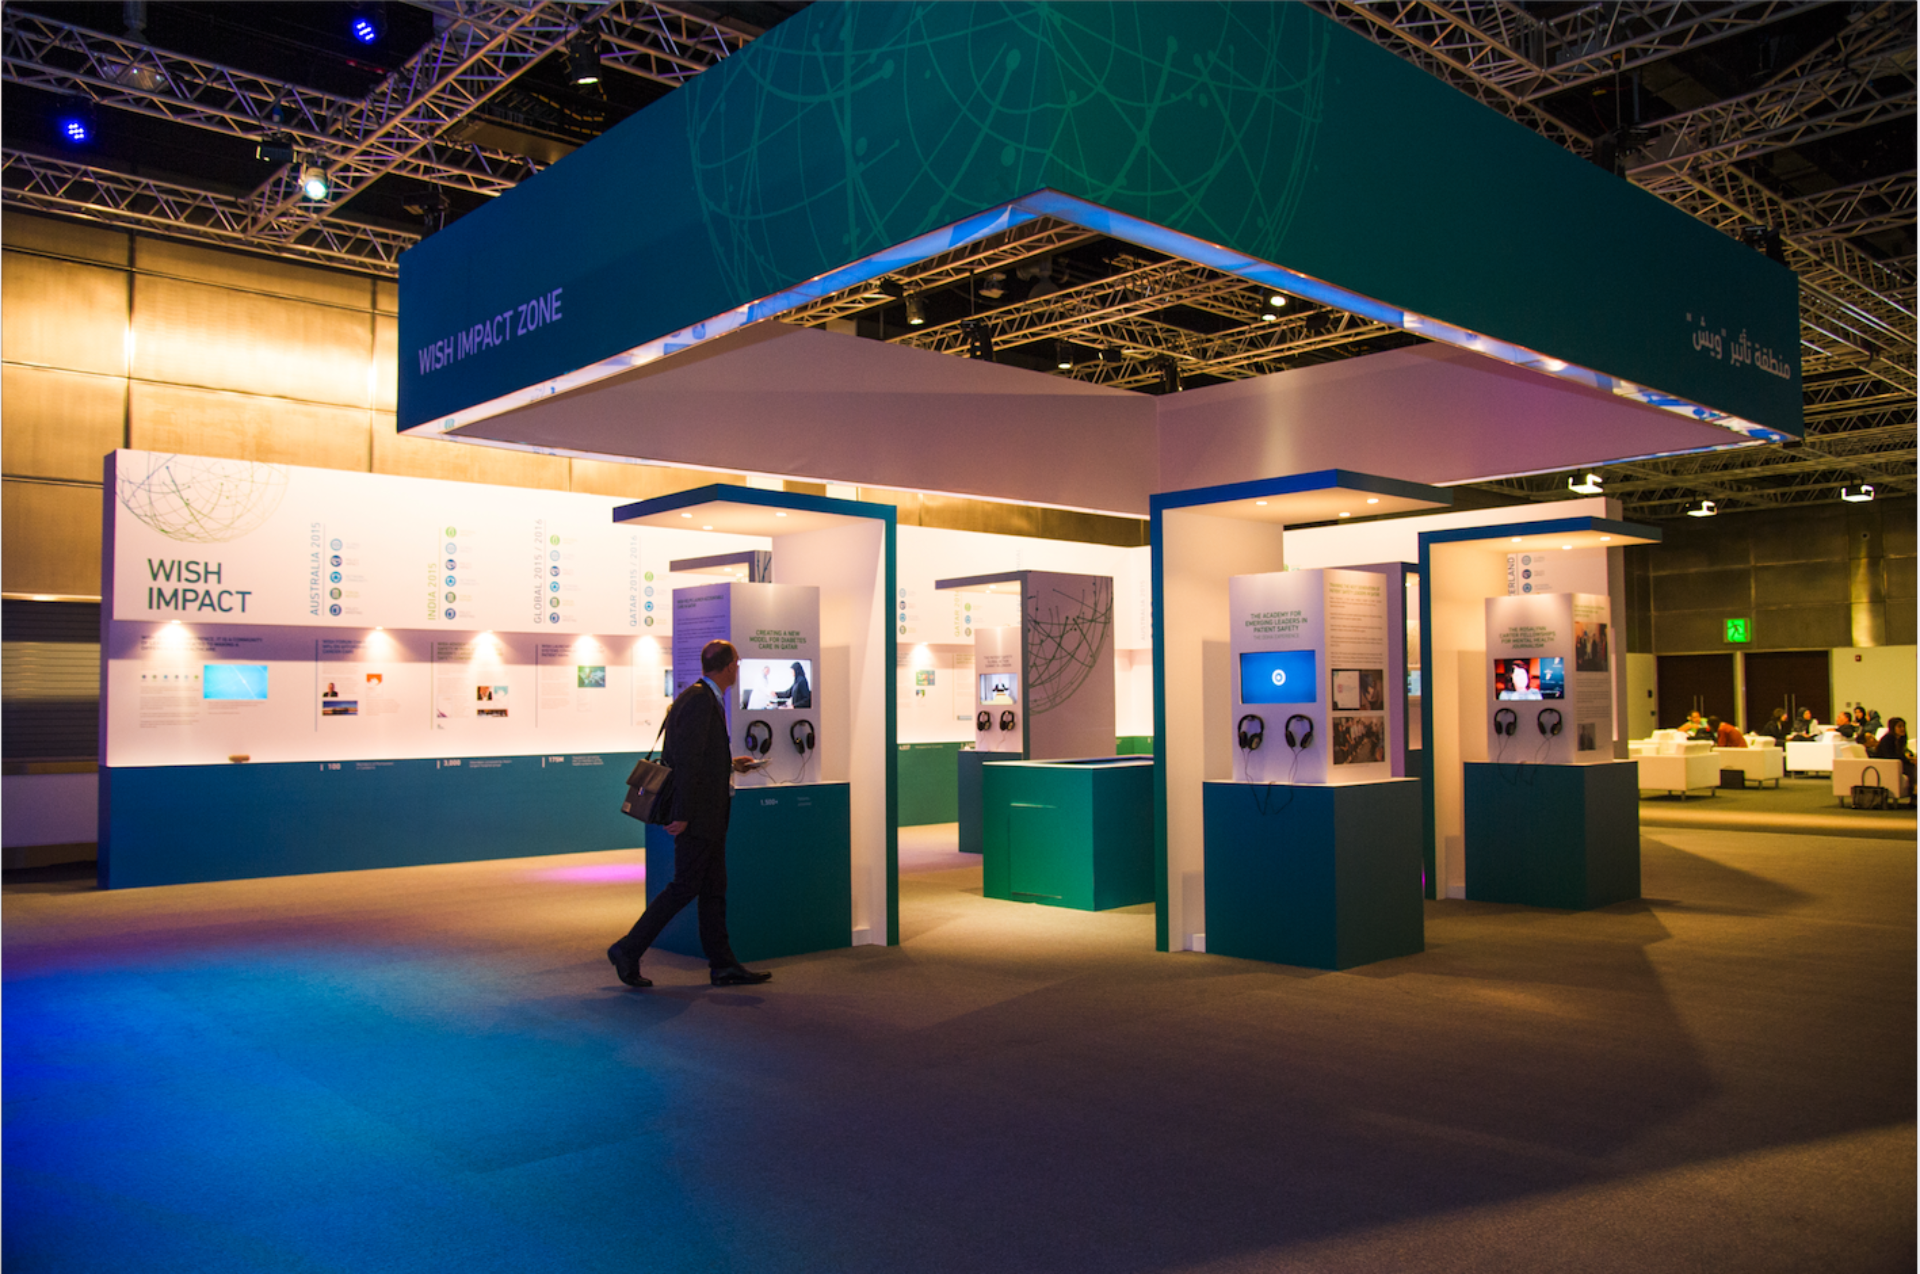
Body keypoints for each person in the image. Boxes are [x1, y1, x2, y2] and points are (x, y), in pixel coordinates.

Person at [607, 639, 773, 989]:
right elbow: (686, 763)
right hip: (698, 816)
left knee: (713, 889)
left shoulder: (701, 697)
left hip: (707, 814)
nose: (738, 667)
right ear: (727, 666)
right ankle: (627, 948)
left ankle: (723, 964)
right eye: (736, 662)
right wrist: (682, 814)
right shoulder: (699, 700)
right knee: (685, 886)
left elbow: (699, 756)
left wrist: (730, 764)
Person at [1871, 717, 1914, 806]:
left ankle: (1914, 795)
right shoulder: (1887, 739)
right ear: (1893, 728)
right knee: (1912, 769)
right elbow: (1890, 756)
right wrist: (1907, 759)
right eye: (1899, 726)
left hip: (1897, 764)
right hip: (1886, 765)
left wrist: (1910, 757)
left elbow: (1904, 752)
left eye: (1903, 726)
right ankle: (1914, 796)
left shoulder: (1901, 739)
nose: (1902, 729)